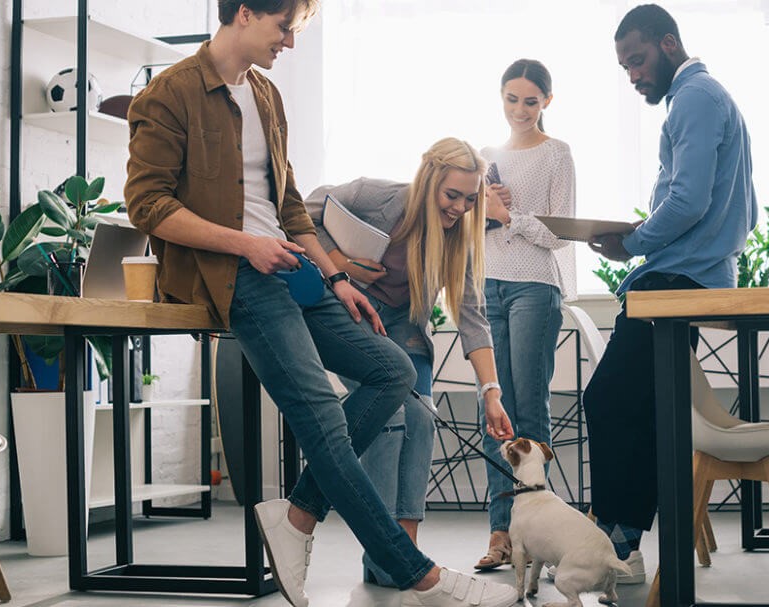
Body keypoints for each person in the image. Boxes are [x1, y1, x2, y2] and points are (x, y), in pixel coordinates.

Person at [124, 3, 517, 606]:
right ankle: (419, 577)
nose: (289, 42)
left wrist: (336, 278)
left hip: (294, 270)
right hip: (236, 276)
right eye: (284, 28)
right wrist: (248, 246)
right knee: (326, 423)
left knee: (390, 370)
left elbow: (288, 208)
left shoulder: (266, 96)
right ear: (246, 13)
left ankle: (299, 515)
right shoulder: (168, 93)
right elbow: (147, 205)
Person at [581, 3, 757, 583]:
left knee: (608, 401)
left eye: (638, 60)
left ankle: (618, 544)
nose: (633, 75)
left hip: (674, 281)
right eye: (625, 67)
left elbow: (687, 202)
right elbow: (743, 212)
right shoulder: (706, 100)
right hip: (691, 275)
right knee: (642, 406)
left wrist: (633, 243)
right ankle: (624, 541)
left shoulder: (695, 99)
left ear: (669, 43)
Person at [302, 137, 513, 587]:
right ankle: (387, 553)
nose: (459, 207)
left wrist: (491, 392)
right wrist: (339, 264)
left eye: (470, 199)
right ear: (430, 180)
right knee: (389, 414)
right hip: (351, 311)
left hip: (404, 325)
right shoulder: (376, 197)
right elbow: (302, 213)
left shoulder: (461, 237)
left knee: (421, 418)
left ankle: (403, 554)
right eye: (451, 195)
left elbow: (473, 318)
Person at [473, 58, 576, 571]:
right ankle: (501, 533)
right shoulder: (486, 156)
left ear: (546, 103)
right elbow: (464, 228)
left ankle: (538, 536)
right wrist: (481, 210)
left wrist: (508, 215)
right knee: (494, 410)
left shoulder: (557, 154)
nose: (519, 110)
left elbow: (559, 234)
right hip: (486, 285)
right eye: (511, 99)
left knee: (529, 411)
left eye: (530, 101)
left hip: (535, 285)